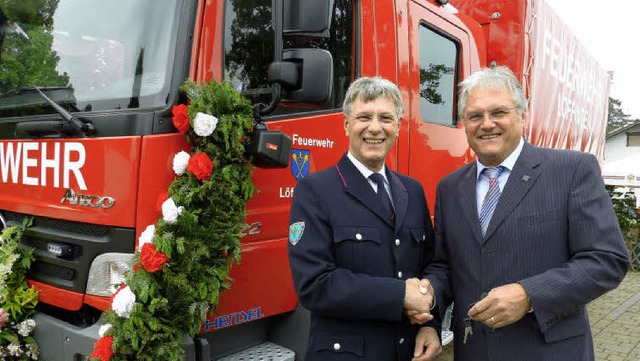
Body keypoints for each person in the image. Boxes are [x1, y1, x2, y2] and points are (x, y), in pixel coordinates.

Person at [417, 66, 630, 361]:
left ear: (522, 115)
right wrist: (429, 309)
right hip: (474, 351)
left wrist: (529, 295)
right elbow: (444, 266)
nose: (486, 124)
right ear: (464, 123)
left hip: (548, 351)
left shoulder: (572, 170)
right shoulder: (450, 188)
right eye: (475, 115)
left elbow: (607, 260)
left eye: (498, 112)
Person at [288, 76, 441, 361]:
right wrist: (400, 296)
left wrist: (430, 324)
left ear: (398, 127)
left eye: (385, 118)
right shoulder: (315, 190)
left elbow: (430, 265)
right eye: (363, 117)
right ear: (346, 124)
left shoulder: (413, 190)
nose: (374, 128)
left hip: (406, 352)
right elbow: (315, 284)